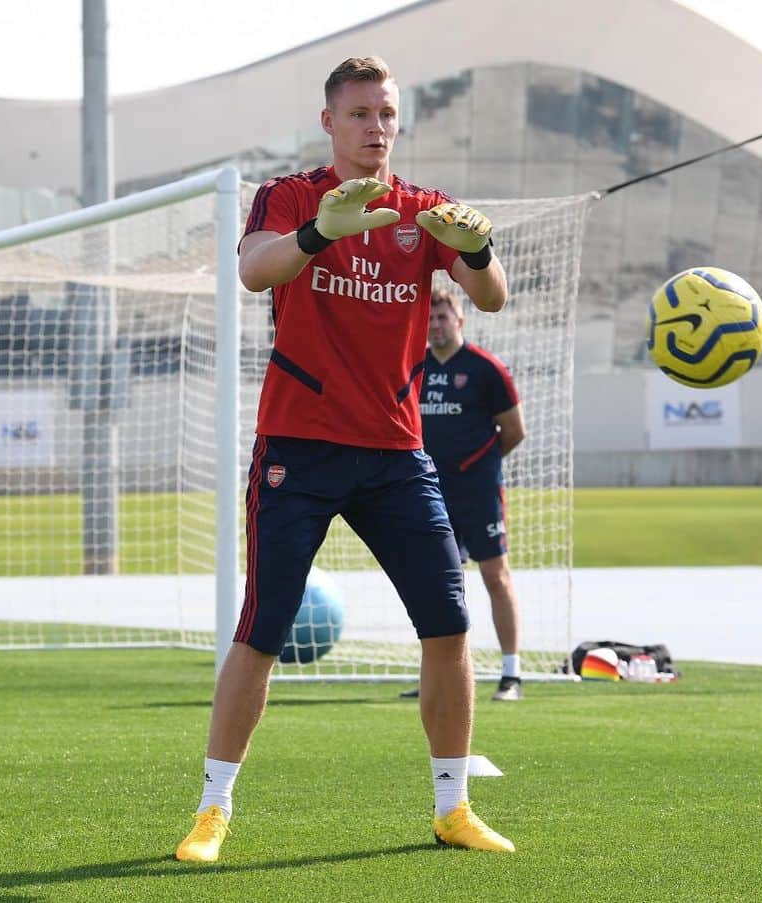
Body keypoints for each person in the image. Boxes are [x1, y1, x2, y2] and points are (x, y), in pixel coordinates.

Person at [175, 55, 515, 863]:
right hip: (299, 448)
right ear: (329, 122)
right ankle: (213, 809)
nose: (376, 128)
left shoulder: (424, 210)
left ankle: (453, 807)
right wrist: (322, 228)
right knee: (262, 629)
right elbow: (255, 270)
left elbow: (493, 294)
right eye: (360, 114)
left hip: (398, 455)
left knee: (449, 625)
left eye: (387, 114)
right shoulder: (292, 196)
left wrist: (475, 248)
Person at [401, 288, 526, 702]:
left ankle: (511, 674)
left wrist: (478, 466)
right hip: (428, 493)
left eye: (443, 317)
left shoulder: (485, 369)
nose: (436, 325)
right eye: (430, 318)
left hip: (477, 493)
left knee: (495, 576)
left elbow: (514, 431)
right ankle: (438, 676)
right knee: (436, 586)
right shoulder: (411, 368)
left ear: (460, 321)